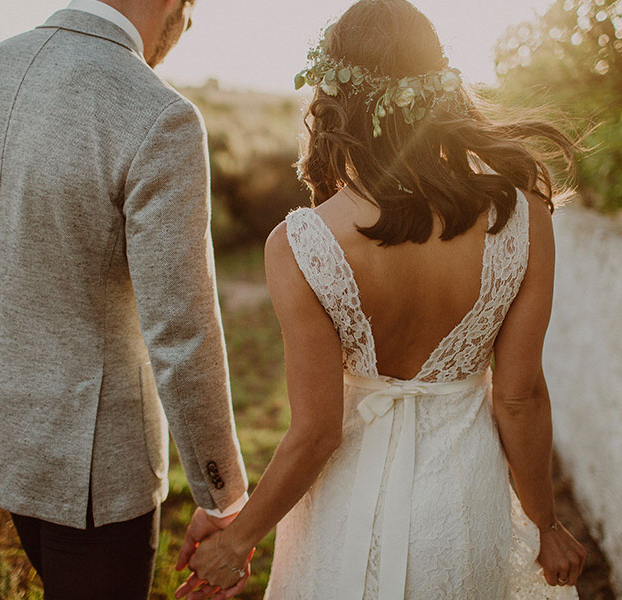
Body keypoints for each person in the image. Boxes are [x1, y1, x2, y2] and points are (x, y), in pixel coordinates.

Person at [176, 0, 587, 598]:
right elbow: (519, 397)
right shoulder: (522, 215)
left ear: (333, 100)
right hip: (462, 513)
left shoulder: (299, 243)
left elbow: (316, 432)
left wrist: (238, 542)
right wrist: (545, 524)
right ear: (442, 87)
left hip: (345, 513)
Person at [0, 1, 250, 598]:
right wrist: (224, 497)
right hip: (99, 474)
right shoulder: (159, 114)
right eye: (191, 10)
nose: (187, 28)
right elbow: (180, 333)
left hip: (3, 443)